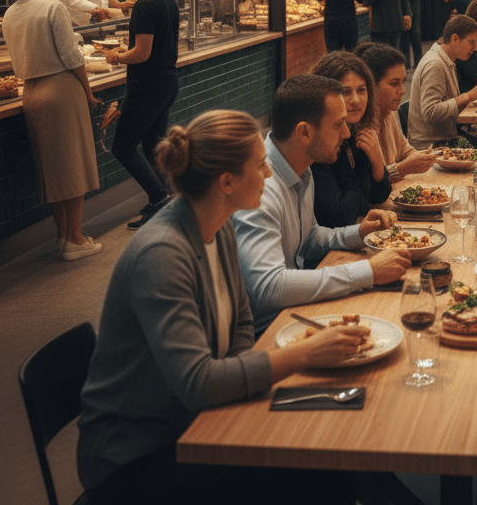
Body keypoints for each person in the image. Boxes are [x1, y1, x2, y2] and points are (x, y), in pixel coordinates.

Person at [77, 109, 364, 505]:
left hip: (203, 418)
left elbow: (242, 323)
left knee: (329, 451)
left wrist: (248, 384)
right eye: (261, 164)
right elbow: (198, 383)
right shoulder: (162, 253)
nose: (268, 174)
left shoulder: (220, 224)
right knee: (320, 479)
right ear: (226, 182)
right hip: (138, 458)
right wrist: (304, 354)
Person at [233, 74, 410, 334]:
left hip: (300, 313)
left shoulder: (302, 170)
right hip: (268, 333)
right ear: (305, 132)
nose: (347, 132)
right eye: (338, 124)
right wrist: (367, 271)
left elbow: (309, 237)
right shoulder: (262, 188)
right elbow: (269, 287)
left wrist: (359, 233)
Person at [2, 0, 102, 260]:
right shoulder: (52, 8)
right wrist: (87, 92)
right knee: (73, 164)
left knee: (52, 169)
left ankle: (62, 236)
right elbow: (72, 57)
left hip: (30, 92)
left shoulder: (9, 14)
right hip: (60, 90)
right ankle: (76, 239)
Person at [103, 0, 177, 230]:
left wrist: (117, 56)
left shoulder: (145, 5)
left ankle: (159, 196)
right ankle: (168, 199)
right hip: (166, 82)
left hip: (147, 85)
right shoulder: (165, 0)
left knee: (123, 146)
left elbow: (142, 53)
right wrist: (130, 49)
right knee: (152, 145)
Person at [310, 53, 392, 226]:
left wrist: (377, 160)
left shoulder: (358, 131)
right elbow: (339, 217)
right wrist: (362, 176)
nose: (356, 100)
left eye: (361, 90)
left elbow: (379, 196)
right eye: (345, 92)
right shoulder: (319, 146)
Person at [354, 42, 437, 182]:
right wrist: (404, 168)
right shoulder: (359, 125)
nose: (403, 91)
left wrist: (418, 159)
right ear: (371, 85)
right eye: (394, 83)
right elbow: (370, 184)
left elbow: (405, 149)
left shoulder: (387, 111)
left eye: (403, 82)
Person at [407, 15, 477, 146]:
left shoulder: (447, 59)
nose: (475, 48)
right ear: (455, 39)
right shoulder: (435, 65)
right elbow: (430, 112)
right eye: (471, 42)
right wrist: (468, 96)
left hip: (447, 136)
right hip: (431, 144)